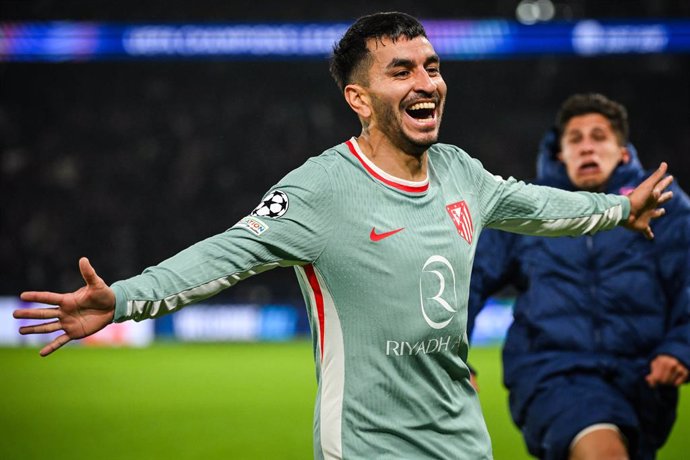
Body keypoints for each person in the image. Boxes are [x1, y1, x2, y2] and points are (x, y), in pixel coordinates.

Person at [14, 14, 674, 460]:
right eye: (403, 71)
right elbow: (222, 255)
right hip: (368, 445)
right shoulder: (317, 192)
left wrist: (621, 209)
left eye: (432, 66)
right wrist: (122, 299)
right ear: (359, 99)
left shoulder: (459, 171)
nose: (428, 83)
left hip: (461, 440)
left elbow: (535, 205)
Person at [468, 93, 689, 460]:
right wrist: (454, 360)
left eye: (599, 137)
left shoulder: (663, 202)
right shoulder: (531, 207)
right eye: (575, 139)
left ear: (622, 152)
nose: (587, 147)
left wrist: (679, 346)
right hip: (552, 372)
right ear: (560, 154)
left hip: (643, 380)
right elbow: (469, 280)